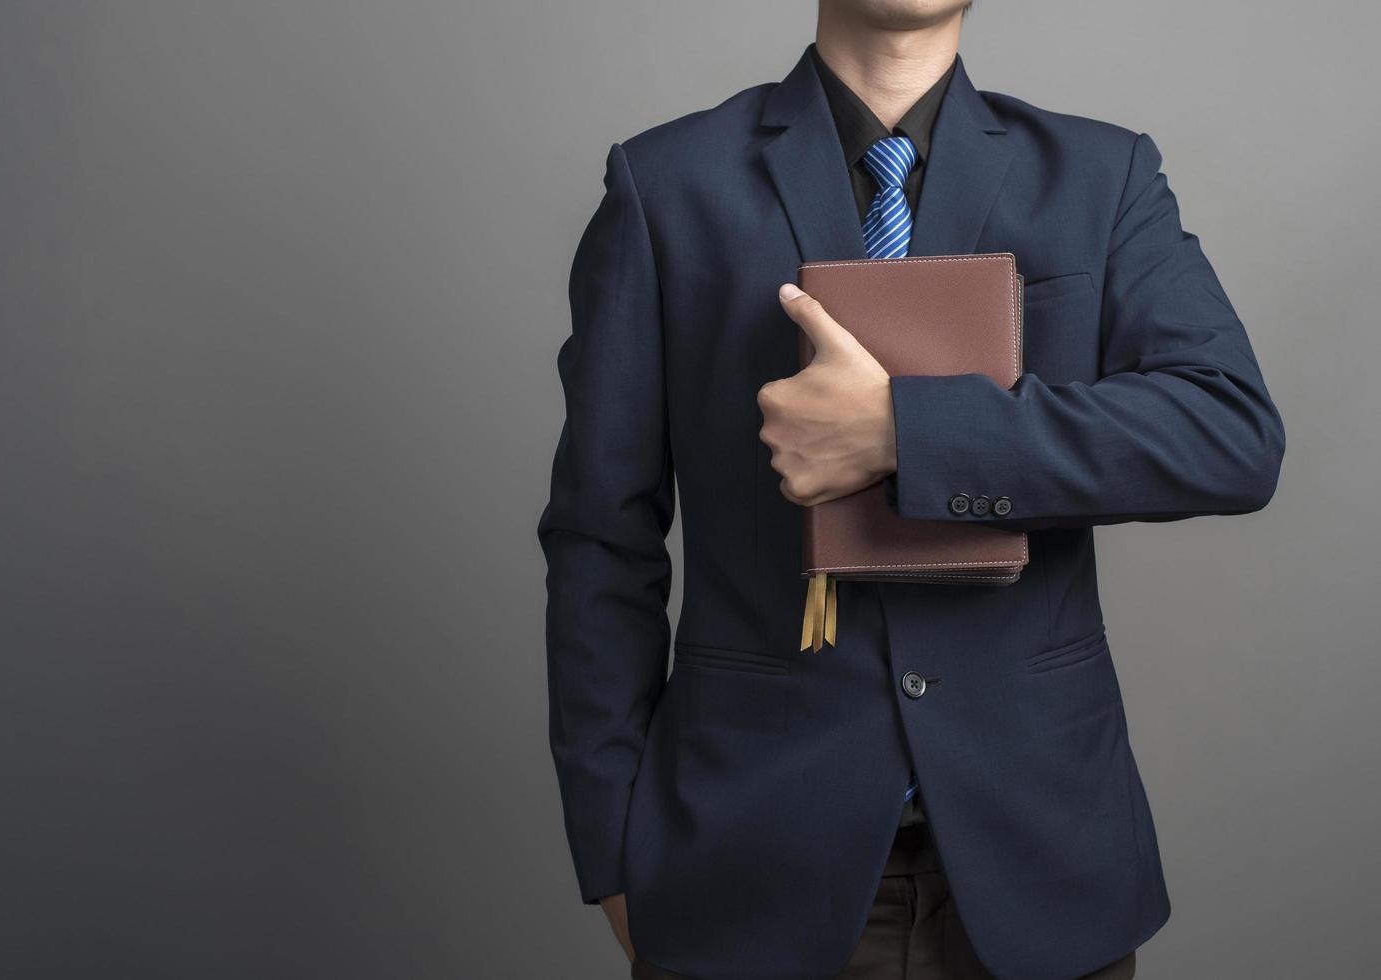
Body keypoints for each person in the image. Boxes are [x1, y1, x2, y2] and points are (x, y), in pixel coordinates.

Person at [536, 2, 1285, 977]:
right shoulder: (665, 184)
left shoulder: (1104, 177)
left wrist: (907, 432)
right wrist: (613, 850)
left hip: (1045, 860)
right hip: (745, 863)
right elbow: (602, 537)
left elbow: (1232, 434)